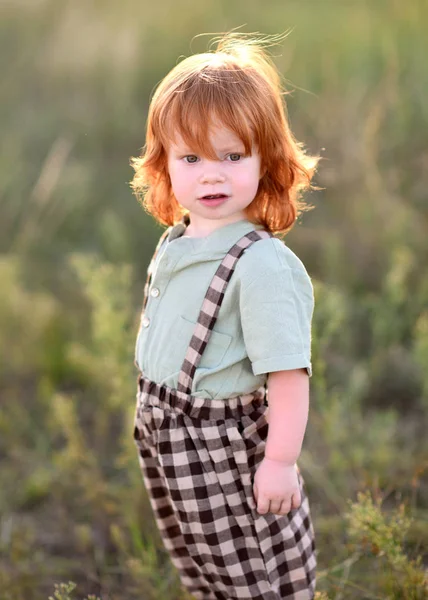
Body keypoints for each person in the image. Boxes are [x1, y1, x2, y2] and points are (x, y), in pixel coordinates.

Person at [130, 32, 320, 600]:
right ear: (164, 165)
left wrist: (280, 461)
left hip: (225, 452)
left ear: (267, 159)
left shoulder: (259, 264)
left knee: (253, 572)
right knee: (202, 564)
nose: (211, 175)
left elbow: (288, 373)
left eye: (232, 156)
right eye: (191, 158)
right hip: (170, 439)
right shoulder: (178, 240)